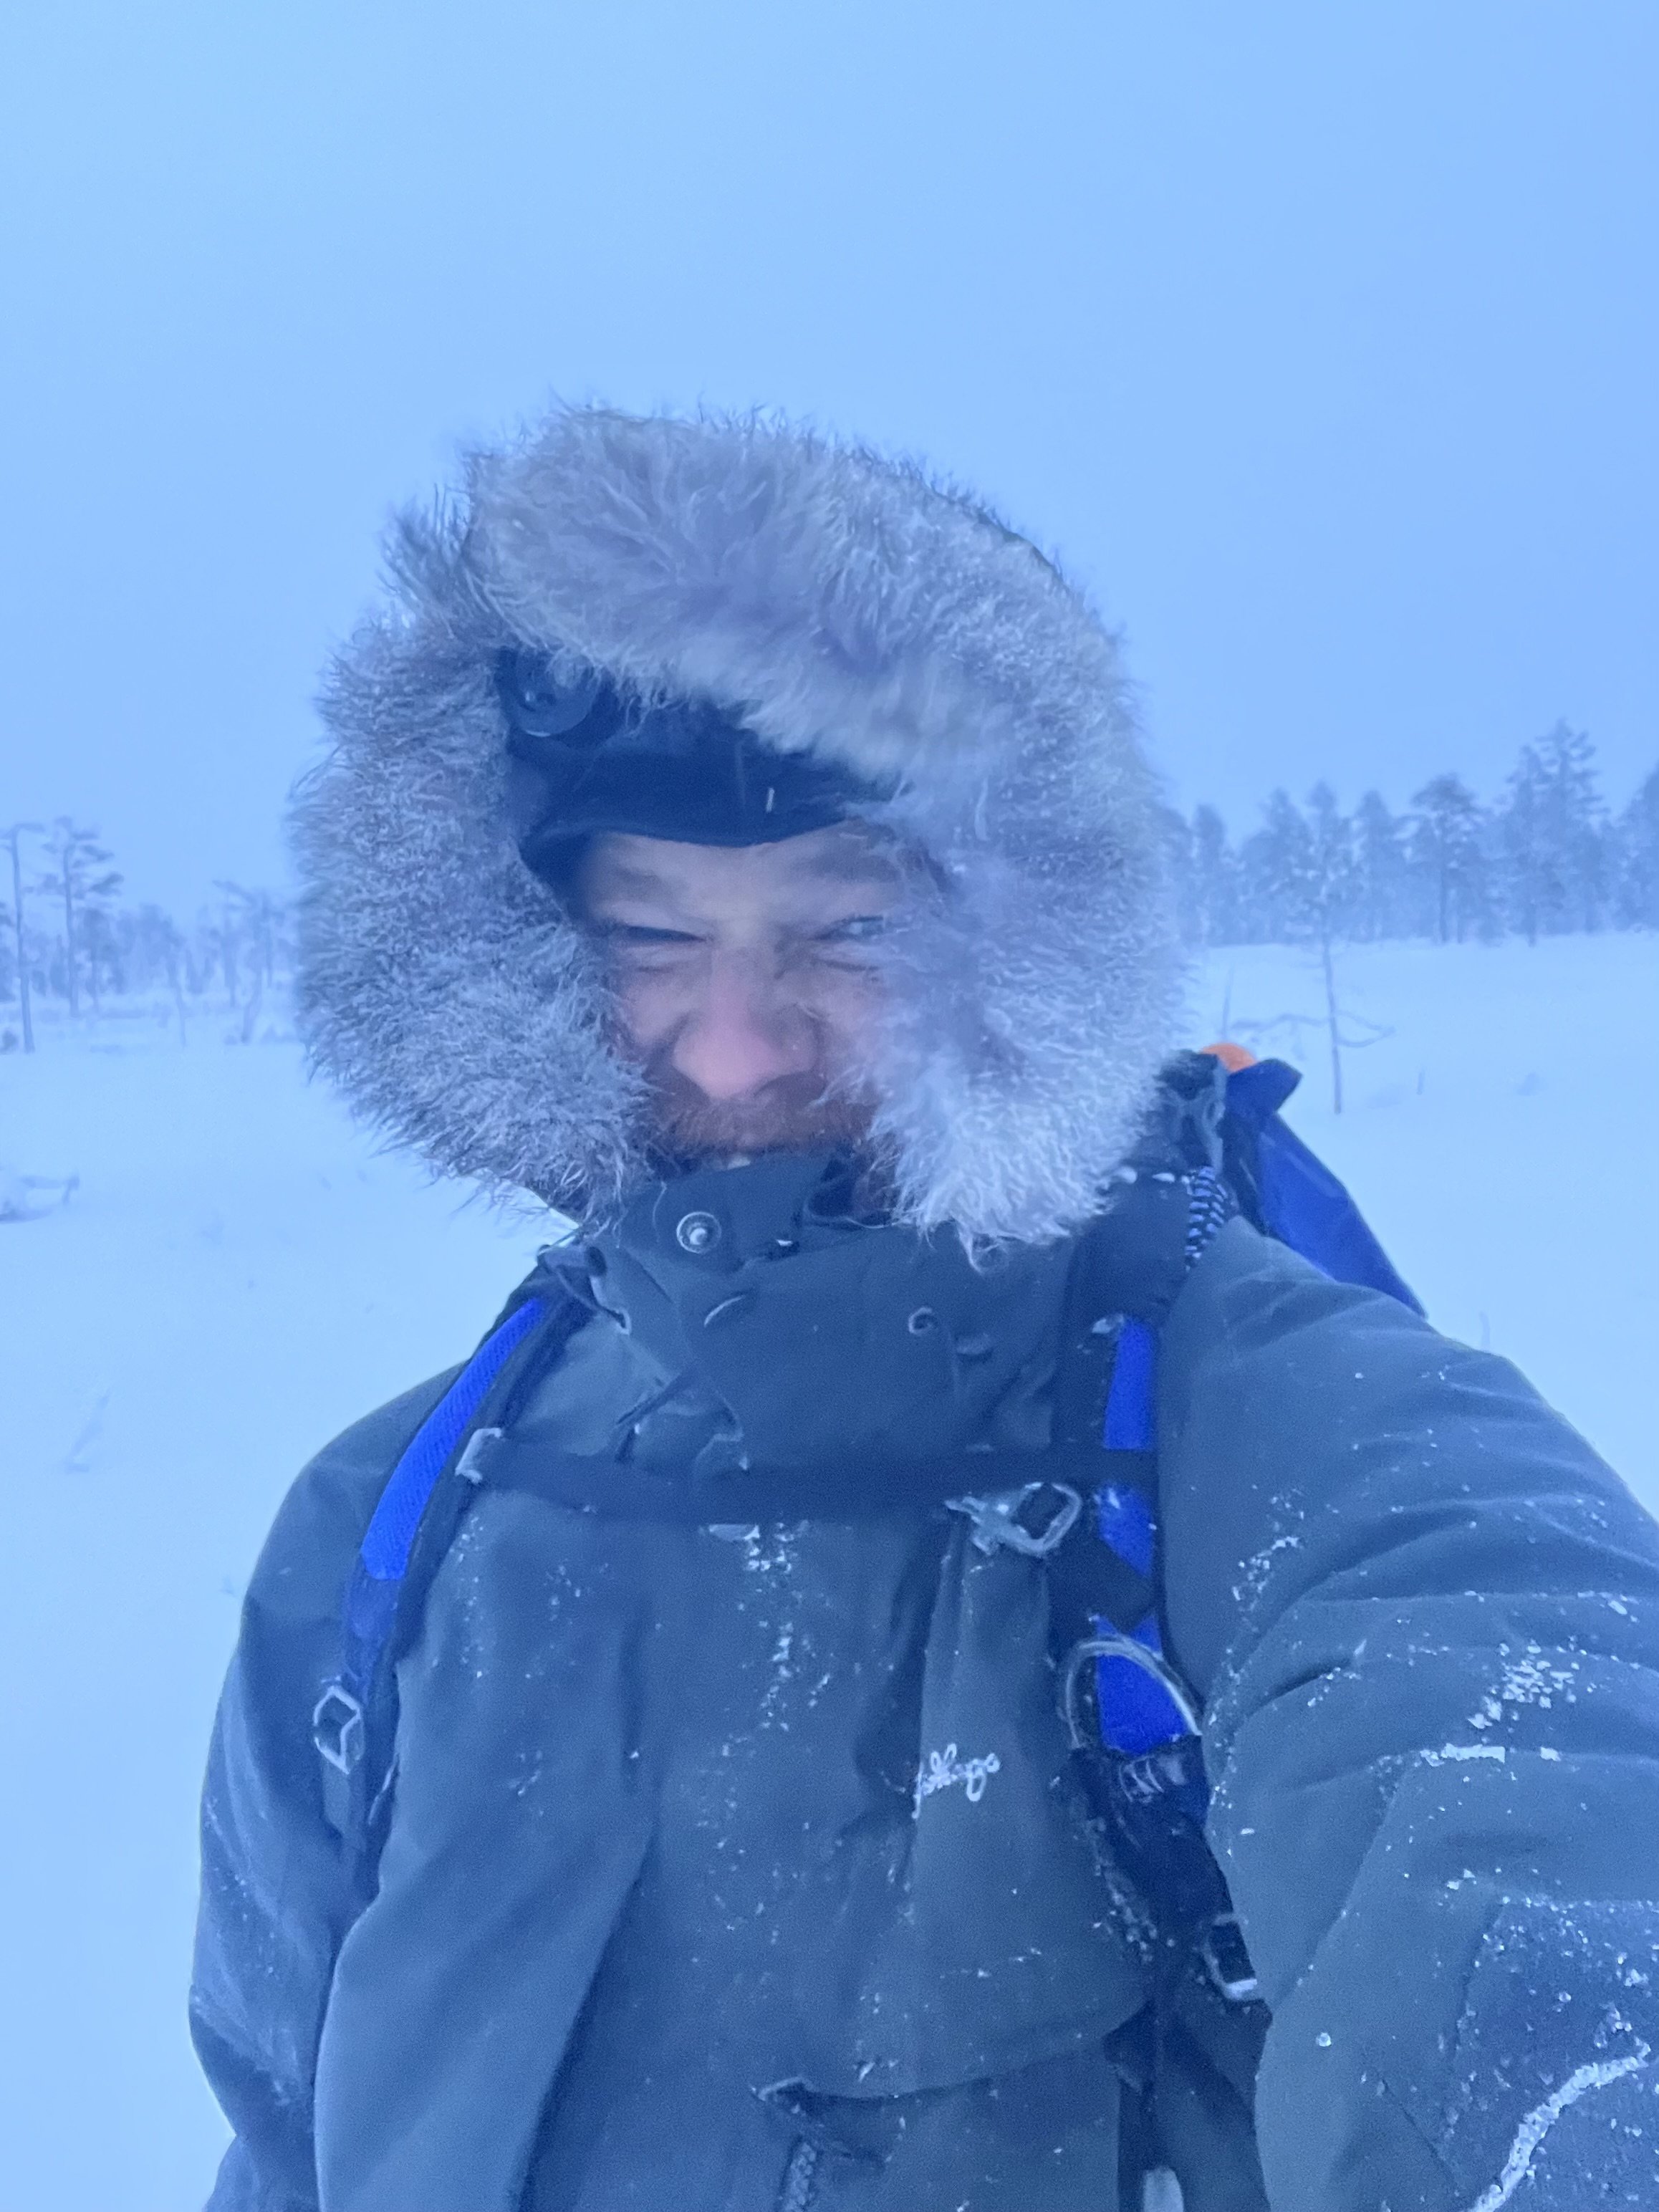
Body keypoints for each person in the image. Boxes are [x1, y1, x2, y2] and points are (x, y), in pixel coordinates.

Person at [192, 406, 1659, 2212]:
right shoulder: (390, 1521)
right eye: (652, 934)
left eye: (850, 930)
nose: (736, 1044)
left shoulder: (1298, 1435)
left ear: (1024, 951)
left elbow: (1543, 1843)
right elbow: (279, 2133)